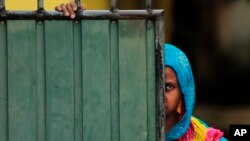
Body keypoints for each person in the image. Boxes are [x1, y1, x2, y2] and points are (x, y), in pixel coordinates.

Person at [55, 2, 228, 141]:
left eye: (168, 87)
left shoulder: (203, 136)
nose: (159, 94)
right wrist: (76, 26)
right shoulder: (123, 127)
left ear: (183, 92)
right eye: (152, 84)